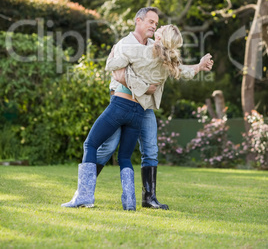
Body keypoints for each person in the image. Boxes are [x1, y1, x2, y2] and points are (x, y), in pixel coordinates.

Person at [61, 22, 213, 211]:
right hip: (138, 109)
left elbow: (115, 69)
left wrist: (114, 52)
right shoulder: (166, 58)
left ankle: (88, 195)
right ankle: (127, 202)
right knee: (121, 154)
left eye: (158, 26)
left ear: (160, 37)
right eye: (153, 23)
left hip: (126, 104)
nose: (156, 26)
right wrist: (199, 66)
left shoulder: (142, 50)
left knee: (97, 145)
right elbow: (182, 71)